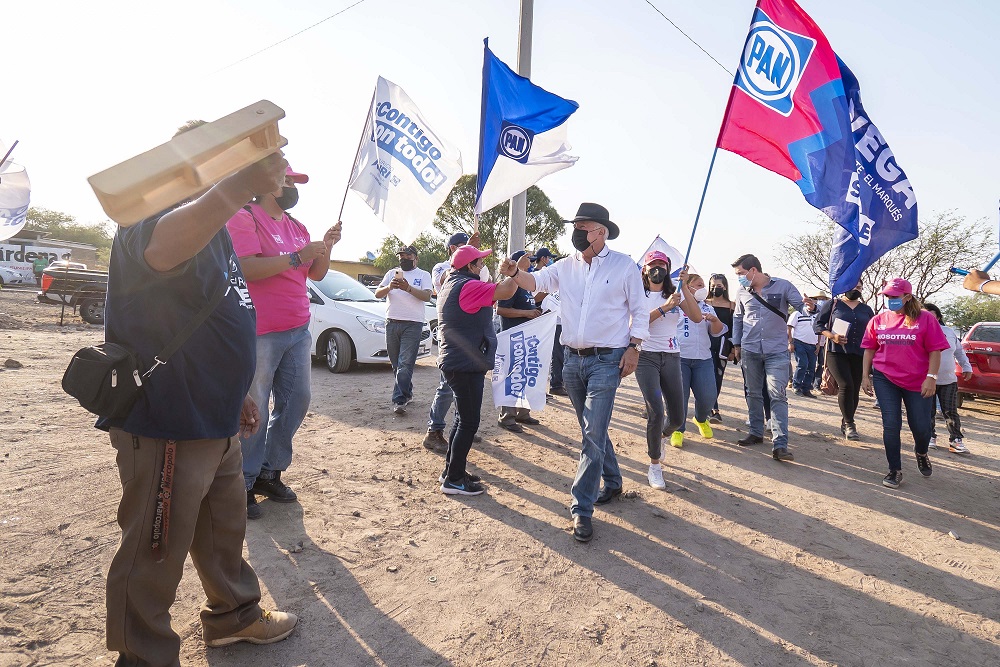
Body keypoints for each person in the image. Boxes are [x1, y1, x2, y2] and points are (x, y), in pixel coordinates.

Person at [99, 137, 296, 664]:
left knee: (222, 528)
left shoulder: (215, 227)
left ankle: (234, 617)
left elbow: (216, 311)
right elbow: (161, 251)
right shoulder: (155, 208)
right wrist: (239, 186)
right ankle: (143, 656)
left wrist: (238, 395)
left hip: (215, 414)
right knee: (154, 548)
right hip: (168, 415)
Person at [500, 202, 648, 543]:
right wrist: (512, 273)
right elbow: (533, 280)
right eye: (576, 225)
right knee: (591, 427)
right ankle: (613, 481)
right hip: (571, 360)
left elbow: (639, 311)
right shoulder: (565, 267)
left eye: (583, 226)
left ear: (601, 232)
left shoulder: (625, 267)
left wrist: (634, 347)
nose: (577, 231)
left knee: (592, 433)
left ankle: (581, 508)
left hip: (608, 360)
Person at [226, 165, 341, 519]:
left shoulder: (297, 227)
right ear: (269, 184)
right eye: (289, 180)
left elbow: (314, 273)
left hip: (297, 328)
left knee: (297, 400)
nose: (293, 187)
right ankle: (241, 483)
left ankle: (269, 472)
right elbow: (245, 267)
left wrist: (326, 247)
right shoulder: (245, 218)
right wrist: (296, 257)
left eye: (295, 182)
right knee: (255, 407)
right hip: (260, 330)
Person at [437, 245, 519, 495]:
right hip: (464, 364)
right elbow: (506, 291)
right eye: (480, 263)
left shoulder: (453, 283)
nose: (483, 266)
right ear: (470, 267)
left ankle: (453, 471)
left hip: (459, 362)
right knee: (469, 422)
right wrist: (515, 273)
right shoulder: (468, 286)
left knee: (462, 419)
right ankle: (453, 481)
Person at [861, 278, 949, 489]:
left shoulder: (926, 319)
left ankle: (921, 452)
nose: (890, 300)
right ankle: (894, 470)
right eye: (887, 296)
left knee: (921, 427)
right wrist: (865, 375)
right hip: (885, 377)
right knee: (891, 424)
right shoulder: (877, 320)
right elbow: (870, 349)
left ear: (907, 296)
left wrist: (932, 378)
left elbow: (935, 351)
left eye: (894, 296)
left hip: (918, 380)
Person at [634, 251, 701, 489]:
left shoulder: (675, 294)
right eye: (653, 265)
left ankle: (661, 438)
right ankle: (654, 466)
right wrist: (664, 308)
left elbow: (696, 317)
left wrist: (684, 290)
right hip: (645, 357)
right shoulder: (638, 294)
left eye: (662, 265)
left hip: (672, 357)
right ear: (644, 269)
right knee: (655, 411)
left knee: (677, 418)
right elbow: (634, 324)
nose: (657, 269)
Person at [731, 253, 803, 461]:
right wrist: (736, 344)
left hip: (777, 352)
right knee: (752, 393)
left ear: (754, 270)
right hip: (750, 349)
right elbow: (738, 318)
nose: (739, 278)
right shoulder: (742, 292)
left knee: (777, 394)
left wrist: (812, 308)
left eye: (741, 273)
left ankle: (780, 445)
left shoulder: (783, 286)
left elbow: (800, 307)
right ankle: (755, 432)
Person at [423, 232, 486, 451]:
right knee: (447, 386)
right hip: (451, 334)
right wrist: (466, 253)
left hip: (470, 332)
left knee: (465, 387)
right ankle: (434, 430)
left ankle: (462, 427)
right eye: (461, 246)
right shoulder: (441, 267)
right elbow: (442, 281)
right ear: (452, 248)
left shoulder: (478, 268)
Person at [374, 245, 432, 415]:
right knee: (396, 364)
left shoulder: (423, 275)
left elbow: (427, 296)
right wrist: (389, 287)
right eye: (401, 255)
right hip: (391, 322)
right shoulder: (391, 273)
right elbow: (377, 293)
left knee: (405, 363)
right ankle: (407, 391)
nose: (404, 258)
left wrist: (408, 288)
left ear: (416, 258)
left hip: (412, 325)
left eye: (408, 255)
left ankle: (399, 400)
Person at [814, 284, 875, 440]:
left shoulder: (866, 309)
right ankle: (850, 424)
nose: (857, 289)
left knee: (854, 389)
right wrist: (832, 336)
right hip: (836, 352)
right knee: (846, 385)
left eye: (861, 287)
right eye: (854, 285)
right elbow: (818, 325)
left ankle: (845, 420)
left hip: (859, 354)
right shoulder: (833, 304)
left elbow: (874, 331)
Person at [675, 273, 727, 447]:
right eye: (698, 285)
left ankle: (700, 419)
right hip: (680, 358)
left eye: (703, 285)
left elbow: (717, 331)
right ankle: (677, 429)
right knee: (679, 398)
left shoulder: (707, 308)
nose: (703, 289)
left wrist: (715, 321)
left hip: (703, 359)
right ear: (687, 287)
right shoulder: (676, 305)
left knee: (707, 397)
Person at [496, 250, 542, 432]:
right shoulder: (511, 285)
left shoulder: (525, 286)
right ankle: (507, 416)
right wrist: (526, 313)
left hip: (526, 338)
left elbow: (530, 306)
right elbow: (500, 309)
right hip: (512, 338)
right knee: (512, 377)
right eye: (527, 260)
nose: (530, 264)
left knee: (525, 375)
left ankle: (523, 413)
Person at [923, 302, 973, 454]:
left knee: (950, 411)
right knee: (927, 411)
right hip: (925, 380)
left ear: (938, 317)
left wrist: (967, 367)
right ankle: (929, 437)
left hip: (948, 380)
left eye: (932, 315)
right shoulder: (918, 331)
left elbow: (959, 352)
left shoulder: (949, 332)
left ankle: (955, 440)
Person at [531, 248, 566, 396]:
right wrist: (553, 289)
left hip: (555, 319)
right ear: (544, 258)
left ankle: (554, 384)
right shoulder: (535, 276)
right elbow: (535, 298)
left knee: (554, 356)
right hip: (543, 320)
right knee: (550, 356)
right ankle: (554, 385)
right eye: (549, 258)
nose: (550, 260)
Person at [705, 273, 735, 423]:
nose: (715, 288)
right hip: (706, 344)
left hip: (724, 346)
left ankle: (712, 406)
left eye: (719, 285)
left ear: (725, 287)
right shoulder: (704, 303)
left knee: (718, 376)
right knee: (707, 375)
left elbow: (734, 329)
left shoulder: (732, 305)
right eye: (713, 285)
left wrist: (733, 349)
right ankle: (711, 409)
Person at [787, 296, 820, 397]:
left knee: (811, 367)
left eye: (814, 300)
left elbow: (819, 331)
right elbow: (789, 328)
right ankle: (796, 386)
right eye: (810, 299)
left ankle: (806, 388)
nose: (812, 302)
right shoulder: (797, 313)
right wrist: (790, 342)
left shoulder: (818, 315)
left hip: (813, 345)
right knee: (802, 364)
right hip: (799, 343)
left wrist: (818, 344)